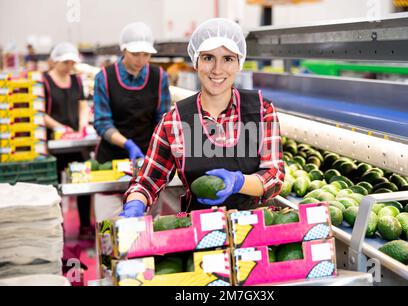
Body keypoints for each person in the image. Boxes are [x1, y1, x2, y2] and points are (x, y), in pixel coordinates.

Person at [121, 18, 285, 217]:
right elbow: (147, 182)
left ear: (239, 63)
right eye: (208, 58)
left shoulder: (262, 110)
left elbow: (274, 176)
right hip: (199, 235)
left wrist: (239, 182)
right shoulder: (174, 122)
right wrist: (135, 204)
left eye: (228, 58)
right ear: (195, 62)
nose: (217, 69)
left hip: (253, 234)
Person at [93, 22, 171, 164]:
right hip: (111, 157)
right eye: (135, 54)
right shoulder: (104, 77)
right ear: (123, 50)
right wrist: (127, 144)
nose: (141, 60)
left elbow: (162, 120)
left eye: (146, 54)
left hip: (147, 155)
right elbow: (102, 123)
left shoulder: (160, 77)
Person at [42, 42, 92, 239]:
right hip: (54, 143)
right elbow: (41, 112)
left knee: (83, 181)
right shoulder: (44, 81)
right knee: (55, 186)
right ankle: (57, 224)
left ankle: (85, 225)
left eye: (72, 62)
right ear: (55, 62)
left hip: (76, 143)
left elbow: (82, 106)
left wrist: (82, 126)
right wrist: (58, 127)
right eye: (65, 62)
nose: (69, 66)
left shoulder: (77, 81)